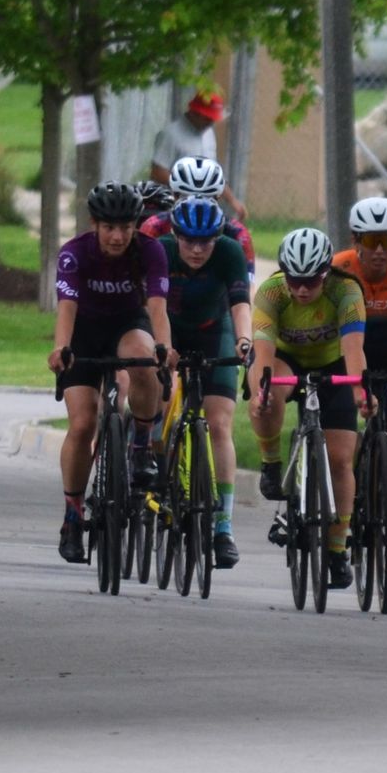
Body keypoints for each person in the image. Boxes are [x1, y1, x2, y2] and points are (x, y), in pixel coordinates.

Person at [48, 182, 173, 565]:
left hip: (126, 323)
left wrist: (165, 348)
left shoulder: (150, 251)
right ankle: (72, 514)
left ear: (136, 226)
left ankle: (139, 444)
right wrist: (61, 348)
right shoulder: (75, 253)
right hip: (84, 331)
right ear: (94, 225)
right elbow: (67, 308)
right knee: (83, 423)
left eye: (125, 227)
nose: (118, 236)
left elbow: (156, 306)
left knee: (144, 357)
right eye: (109, 227)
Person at [250, 227, 369, 592]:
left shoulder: (346, 290)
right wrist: (260, 391)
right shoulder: (271, 293)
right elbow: (263, 355)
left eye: (311, 281)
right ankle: (271, 464)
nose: (302, 289)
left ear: (326, 274)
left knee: (340, 459)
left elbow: (353, 350)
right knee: (267, 397)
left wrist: (361, 393)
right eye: (295, 280)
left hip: (333, 364)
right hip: (285, 361)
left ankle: (336, 548)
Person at [159, 196, 253, 567]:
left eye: (206, 242)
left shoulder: (229, 252)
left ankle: (223, 527)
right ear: (175, 235)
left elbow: (241, 304)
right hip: (168, 331)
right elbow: (150, 304)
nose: (197, 250)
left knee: (219, 423)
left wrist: (244, 342)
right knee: (161, 404)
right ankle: (157, 466)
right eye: (189, 241)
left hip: (216, 331)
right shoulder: (161, 251)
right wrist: (162, 347)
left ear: (218, 238)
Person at [332, 195, 387, 451]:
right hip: (346, 353)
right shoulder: (337, 268)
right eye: (372, 240)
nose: (380, 250)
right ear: (355, 240)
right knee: (342, 432)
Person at [141, 155, 255, 272]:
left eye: (206, 199)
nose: (196, 207)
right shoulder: (154, 226)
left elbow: (248, 285)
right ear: (175, 196)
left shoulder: (238, 233)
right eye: (188, 198)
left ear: (218, 197)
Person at [148, 91, 248, 222]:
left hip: (202, 207)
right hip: (172, 207)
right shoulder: (171, 134)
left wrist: (233, 201)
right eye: (207, 118)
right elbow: (157, 172)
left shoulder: (208, 134)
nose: (211, 122)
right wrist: (188, 186)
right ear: (194, 112)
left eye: (213, 118)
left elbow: (212, 173)